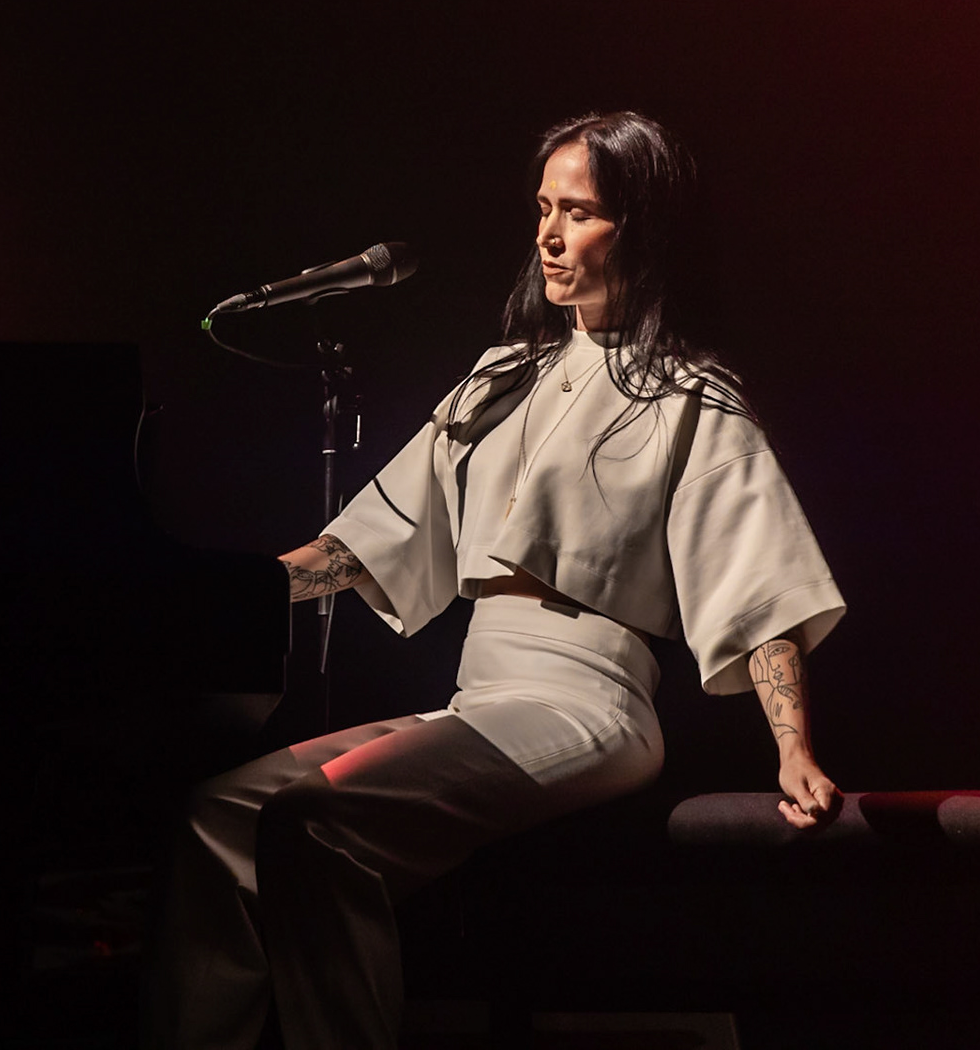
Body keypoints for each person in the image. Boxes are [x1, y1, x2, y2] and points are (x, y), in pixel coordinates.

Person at [142, 111, 846, 1050]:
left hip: (588, 705)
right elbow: (361, 545)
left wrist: (791, 746)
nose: (550, 235)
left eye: (582, 212)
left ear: (641, 226)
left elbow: (759, 582)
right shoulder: (498, 378)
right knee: (221, 814)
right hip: (480, 697)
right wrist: (214, 593)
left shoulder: (692, 396)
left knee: (314, 824)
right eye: (544, 208)